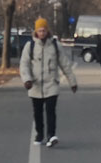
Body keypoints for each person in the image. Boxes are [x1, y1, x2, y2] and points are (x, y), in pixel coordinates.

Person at [19, 16, 76, 146]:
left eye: (44, 30)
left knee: (51, 111)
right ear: (36, 32)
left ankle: (51, 135)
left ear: (47, 31)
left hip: (51, 84)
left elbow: (65, 64)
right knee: (37, 112)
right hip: (35, 85)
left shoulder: (55, 45)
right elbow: (24, 64)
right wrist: (27, 79)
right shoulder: (30, 46)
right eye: (39, 31)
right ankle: (39, 134)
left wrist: (72, 82)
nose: (42, 33)